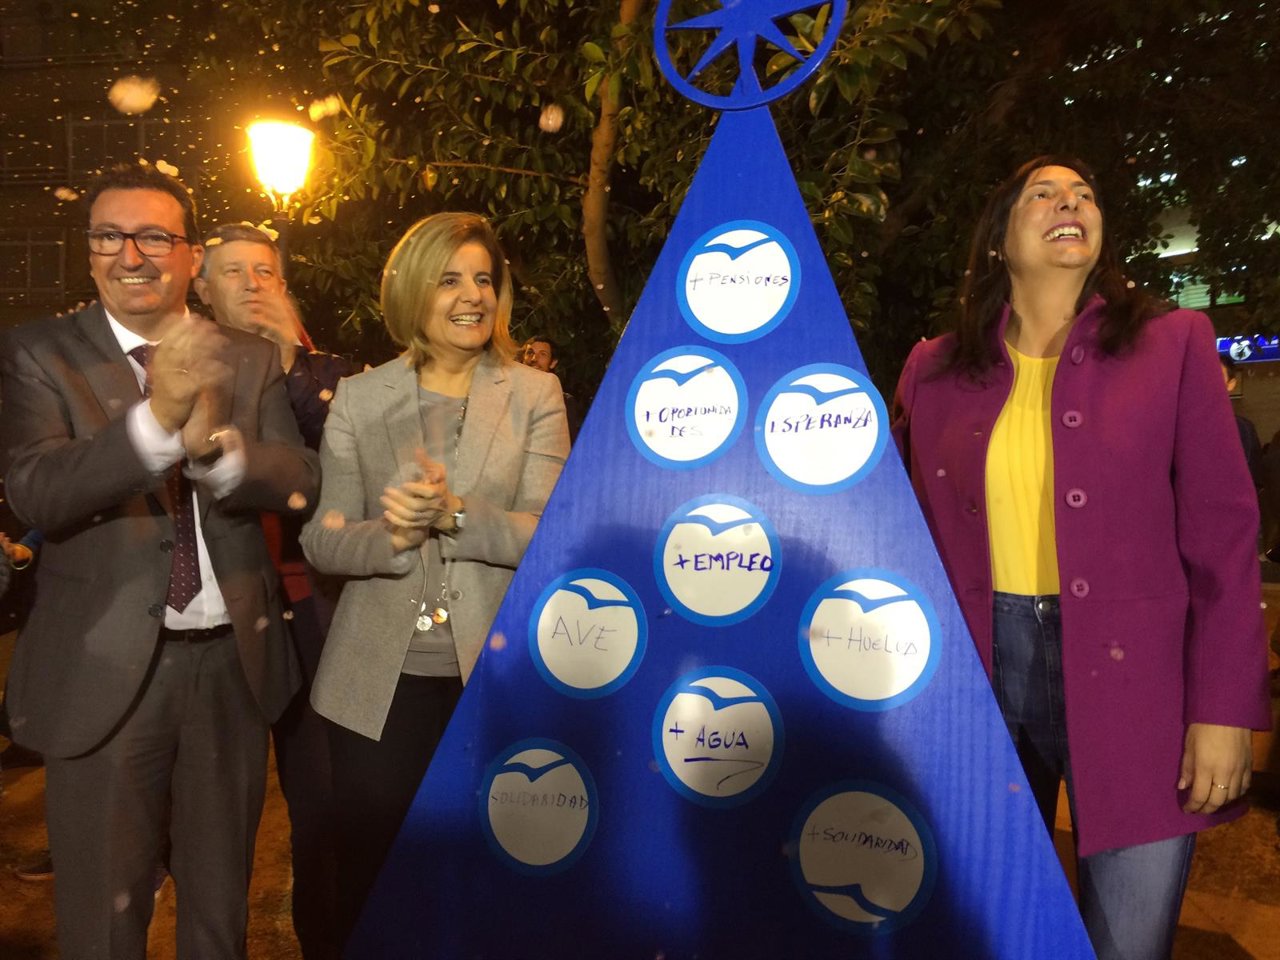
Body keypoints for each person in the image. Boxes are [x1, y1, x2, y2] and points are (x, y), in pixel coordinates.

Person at [891, 155, 1270, 960]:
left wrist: (1226, 710)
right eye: (1044, 194)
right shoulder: (935, 369)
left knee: (1127, 941)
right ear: (998, 240)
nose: (1071, 202)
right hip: (980, 674)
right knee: (984, 926)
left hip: (1141, 682)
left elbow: (1224, 536)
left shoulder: (1173, 345)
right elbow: (906, 537)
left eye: (1085, 195)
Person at [0, 162, 319, 960]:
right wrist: (157, 422)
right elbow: (38, 490)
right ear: (90, 250)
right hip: (102, 674)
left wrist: (231, 462)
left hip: (231, 672)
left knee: (219, 914)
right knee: (104, 924)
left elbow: (300, 476)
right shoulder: (37, 353)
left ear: (189, 254)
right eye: (107, 235)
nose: (129, 255)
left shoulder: (245, 356)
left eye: (152, 236)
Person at [300, 212, 569, 949]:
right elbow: (321, 538)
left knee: (489, 878)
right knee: (376, 879)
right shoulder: (359, 398)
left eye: (484, 278)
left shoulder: (534, 394)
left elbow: (551, 533)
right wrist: (386, 535)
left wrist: (455, 514)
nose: (473, 294)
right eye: (451, 278)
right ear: (415, 291)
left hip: (496, 680)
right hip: (374, 690)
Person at [196, 220, 360, 960]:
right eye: (233, 271)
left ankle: (329, 942)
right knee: (207, 816)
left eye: (266, 271)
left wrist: (289, 360)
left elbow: (339, 472)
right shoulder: (175, 370)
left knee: (325, 807)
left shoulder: (337, 377)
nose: (252, 284)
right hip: (211, 613)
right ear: (199, 287)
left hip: (312, 611)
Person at [521, 333, 584, 440]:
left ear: (553, 363)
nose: (534, 359)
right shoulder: (509, 393)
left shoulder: (564, 401)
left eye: (543, 354)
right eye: (530, 353)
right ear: (523, 358)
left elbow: (568, 443)